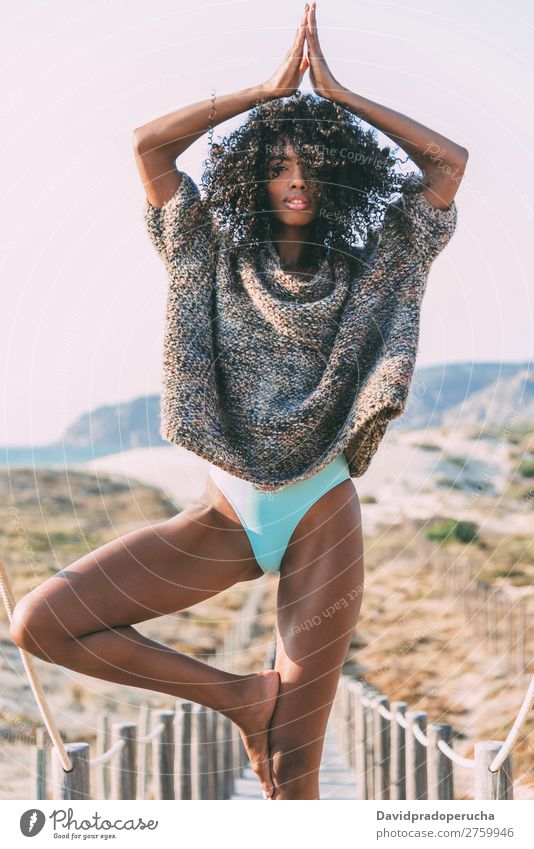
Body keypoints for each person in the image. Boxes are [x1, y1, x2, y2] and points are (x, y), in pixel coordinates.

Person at [9, 1, 468, 801]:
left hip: (322, 512)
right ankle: (239, 698)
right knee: (42, 621)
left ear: (336, 176)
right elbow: (149, 147)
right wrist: (263, 90)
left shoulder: (372, 265)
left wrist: (341, 96)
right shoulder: (206, 248)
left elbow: (448, 166)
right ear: (255, 171)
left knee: (293, 779)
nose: (297, 180)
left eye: (313, 165)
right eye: (281, 164)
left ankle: (270, 726)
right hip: (224, 516)